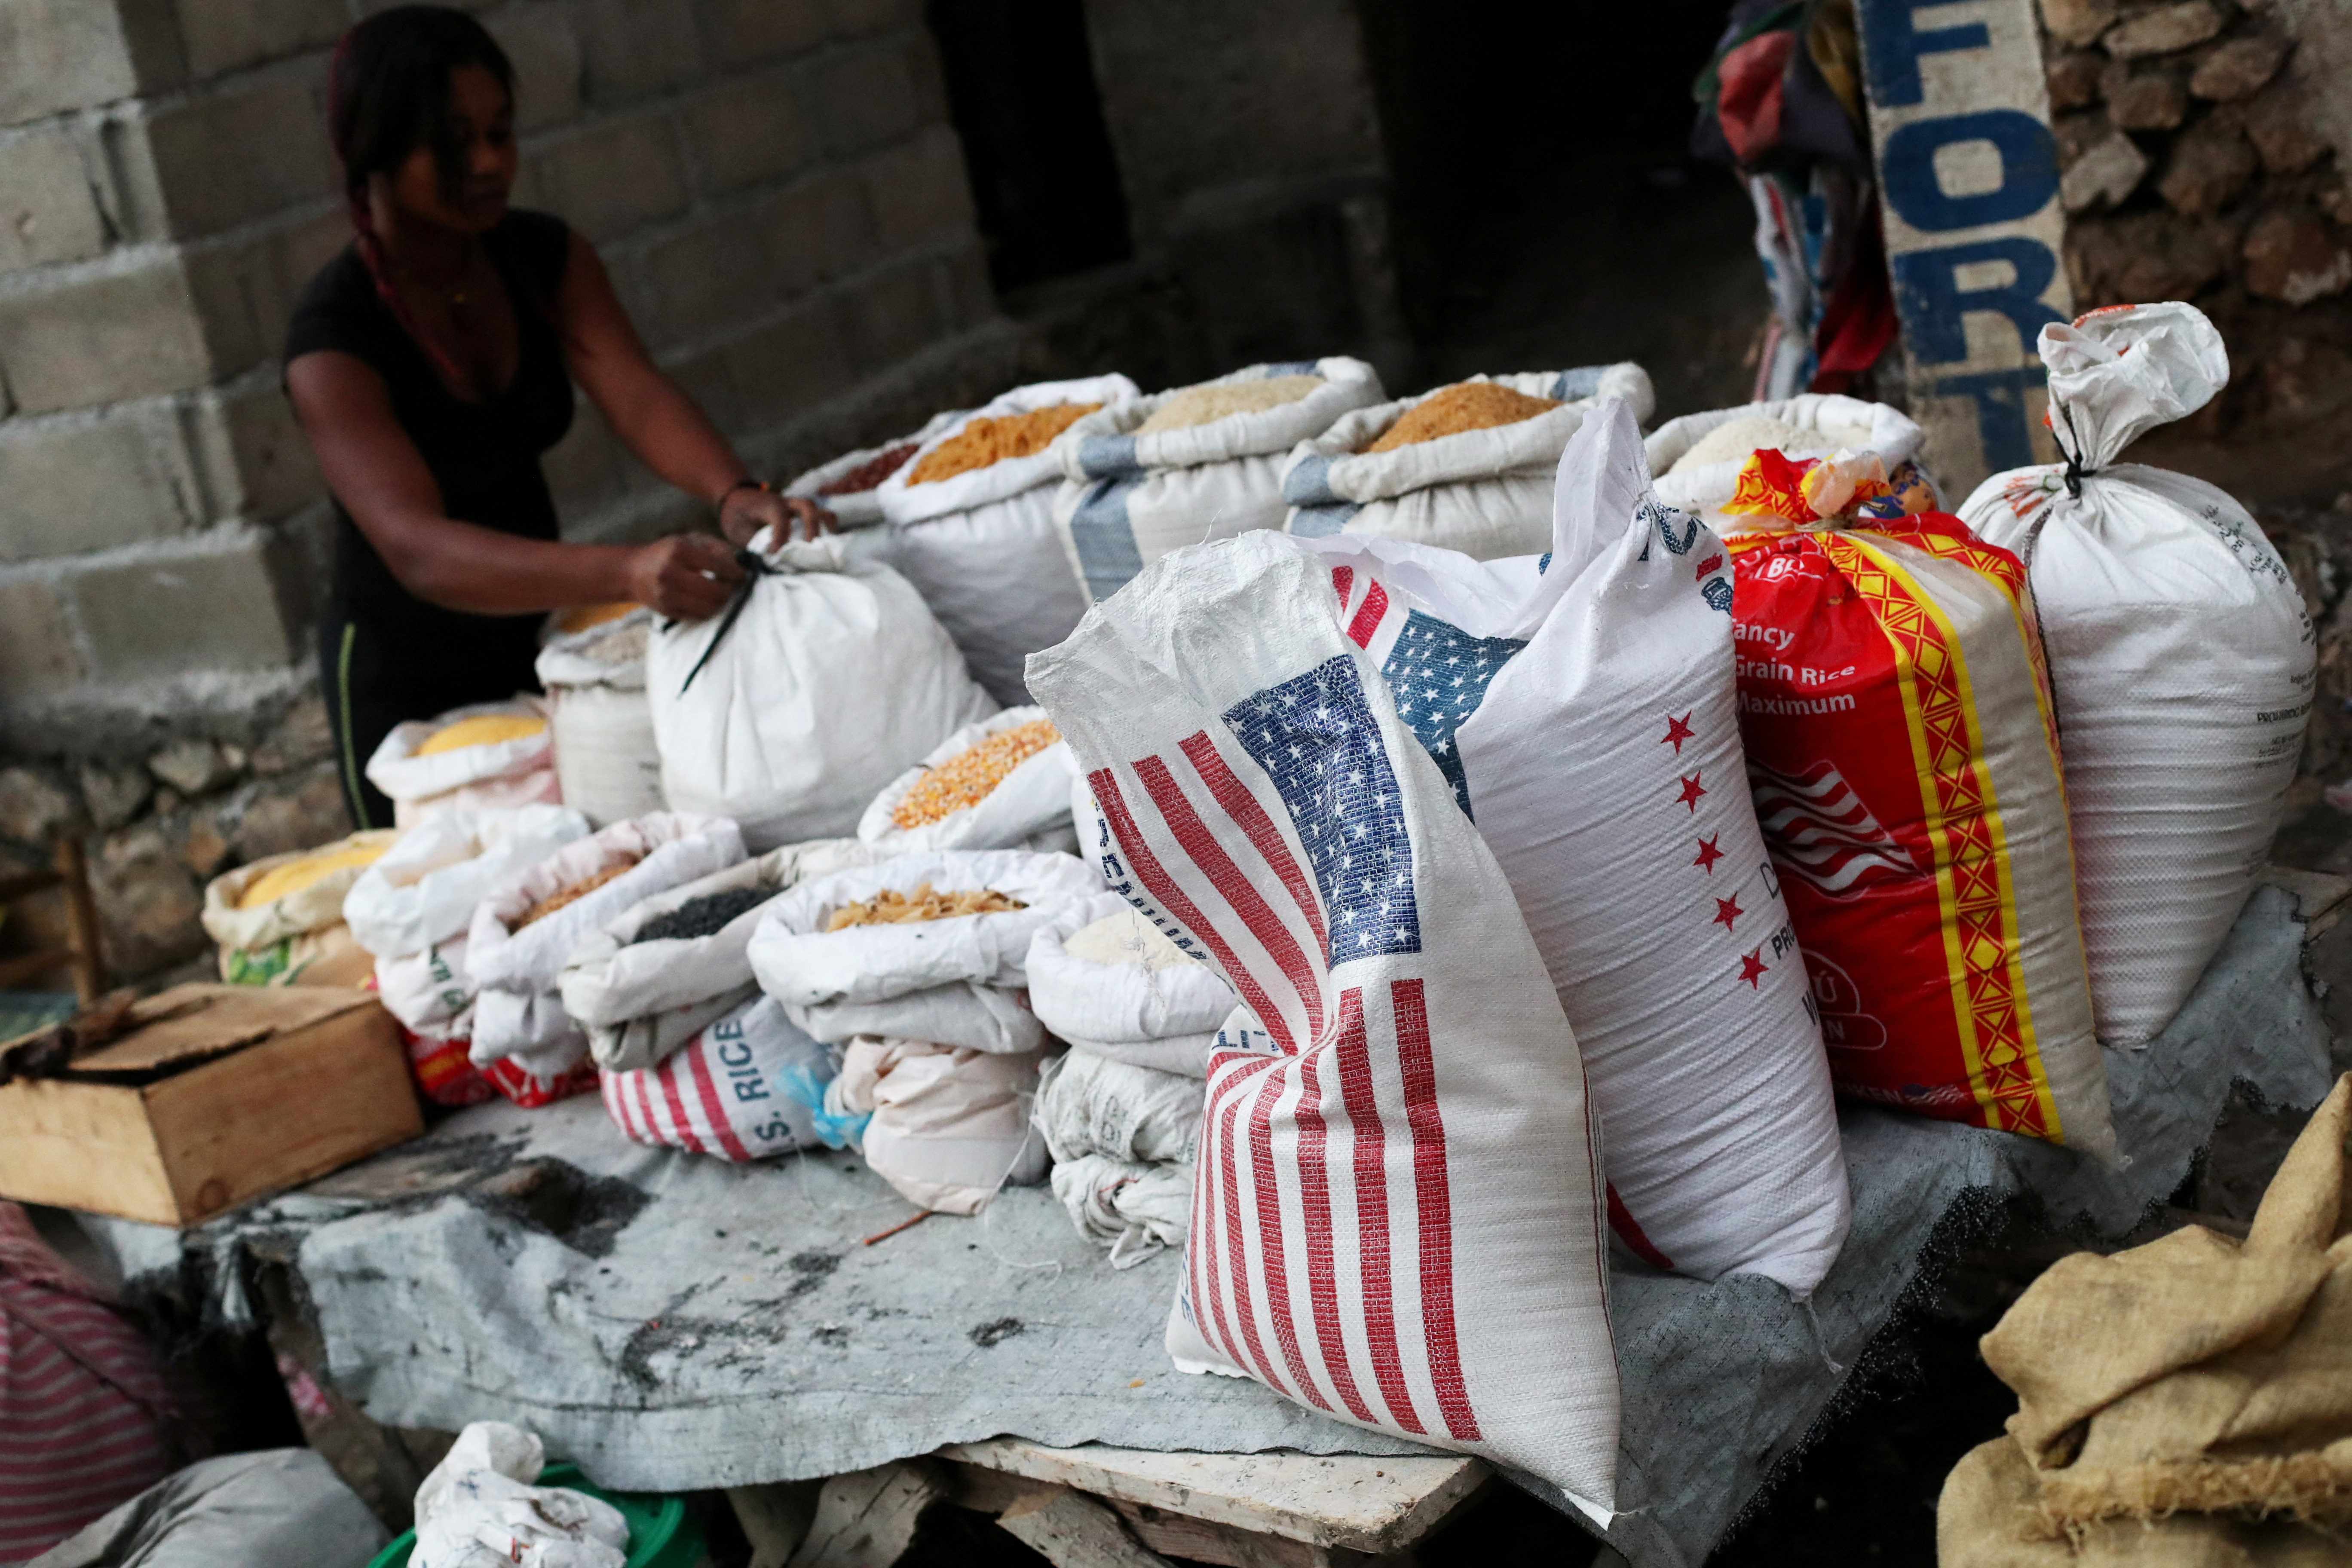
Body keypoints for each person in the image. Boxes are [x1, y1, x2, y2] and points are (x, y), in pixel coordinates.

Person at [285, 5, 831, 829]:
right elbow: (417, 549)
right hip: (404, 672)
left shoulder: (540, 257)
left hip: (538, 628)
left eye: (500, 133)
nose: (489, 163)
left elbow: (635, 392)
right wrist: (624, 573)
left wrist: (731, 490)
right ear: (380, 150)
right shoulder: (334, 339)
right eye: (454, 140)